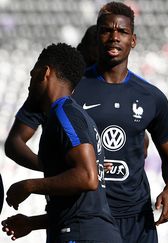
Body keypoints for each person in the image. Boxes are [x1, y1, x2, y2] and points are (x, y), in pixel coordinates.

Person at [4, 2, 168, 242]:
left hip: (136, 219)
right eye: (107, 31)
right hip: (86, 218)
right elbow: (15, 142)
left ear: (134, 40)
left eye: (122, 32)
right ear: (97, 36)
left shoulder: (151, 96)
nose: (114, 37)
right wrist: (54, 169)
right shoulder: (67, 89)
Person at [1, 43, 121, 242]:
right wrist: (31, 223)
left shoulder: (64, 113)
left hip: (81, 235)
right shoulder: (76, 116)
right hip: (87, 231)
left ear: (45, 72)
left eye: (32, 75)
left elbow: (87, 177)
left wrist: (29, 186)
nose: (29, 83)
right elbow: (82, 205)